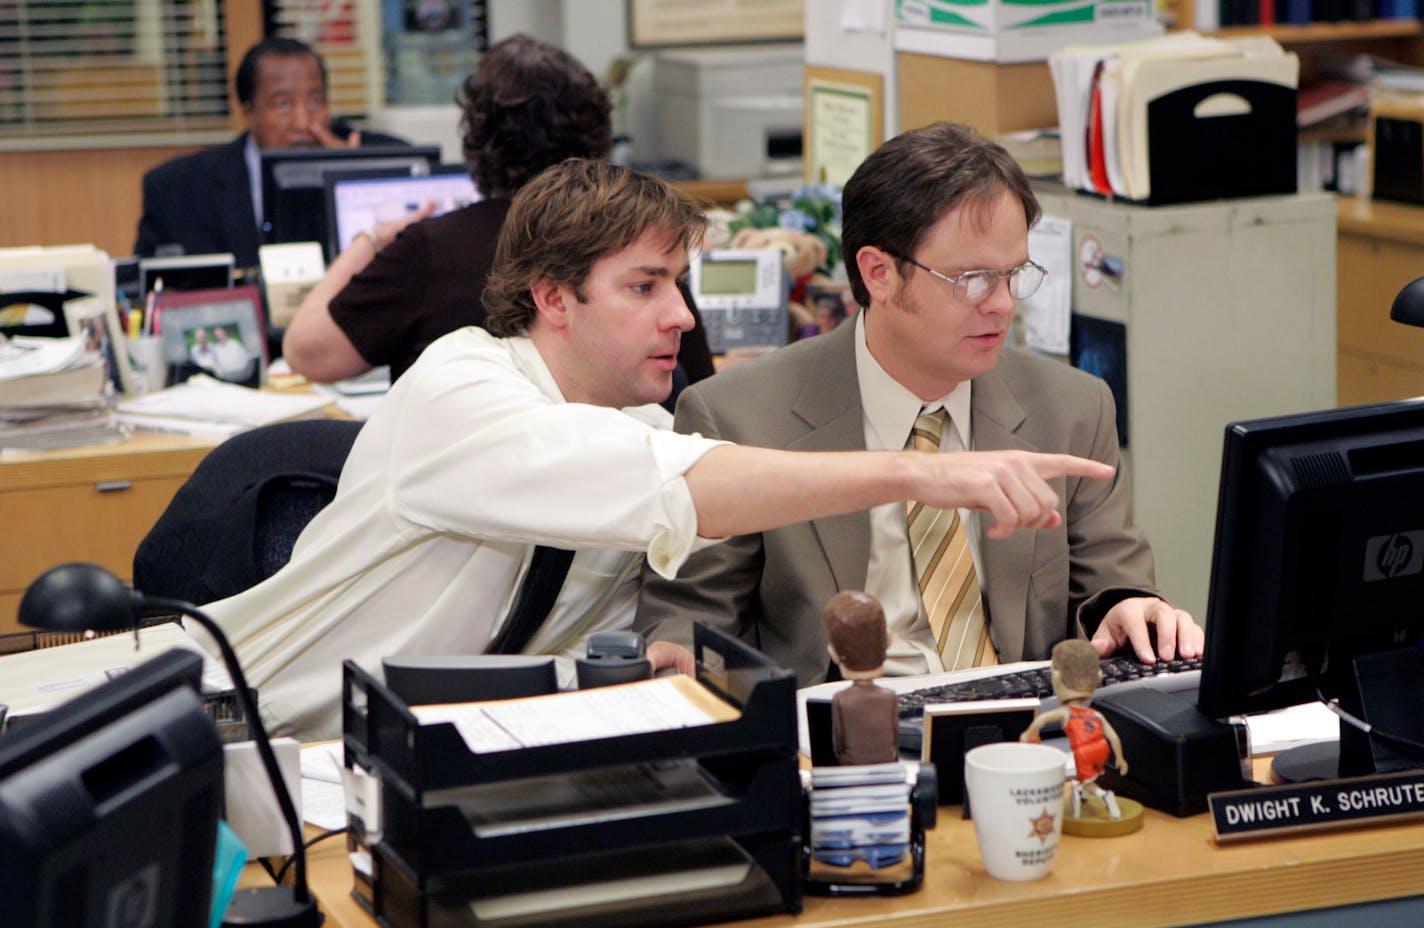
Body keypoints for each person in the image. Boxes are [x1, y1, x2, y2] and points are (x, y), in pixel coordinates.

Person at [200, 157, 1114, 741]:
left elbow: (668, 587)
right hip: (256, 728)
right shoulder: (460, 388)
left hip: (426, 746)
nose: (682, 315)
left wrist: (673, 650)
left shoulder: (638, 426)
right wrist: (928, 470)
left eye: (678, 283)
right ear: (554, 297)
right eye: (644, 286)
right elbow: (682, 490)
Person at [635, 123, 1204, 687]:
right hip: (844, 735)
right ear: (878, 274)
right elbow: (689, 621)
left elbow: (1111, 583)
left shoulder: (1072, 407)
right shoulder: (737, 417)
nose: (1002, 305)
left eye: (1014, 274)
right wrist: (681, 662)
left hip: (1025, 728)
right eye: (974, 279)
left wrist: (1129, 611)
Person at [281, 33, 714, 390]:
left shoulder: (431, 248)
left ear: (478, 138)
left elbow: (307, 352)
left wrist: (370, 240)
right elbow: (697, 390)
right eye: (645, 288)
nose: (679, 315)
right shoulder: (632, 245)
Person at [133, 36, 404, 269]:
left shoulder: (369, 154)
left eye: (315, 101)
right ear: (249, 112)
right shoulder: (177, 189)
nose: (302, 122)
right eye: (283, 104)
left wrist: (353, 178)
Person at [1020, 639, 1128, 819]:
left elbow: (1042, 719)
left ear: (1057, 677)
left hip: (1084, 752)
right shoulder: (1095, 714)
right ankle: (1081, 795)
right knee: (1087, 777)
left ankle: (1103, 796)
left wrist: (1028, 733)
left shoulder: (1066, 713)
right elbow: (1113, 737)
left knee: (1088, 782)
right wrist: (1119, 758)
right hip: (1102, 749)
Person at [825, 591, 898, 766]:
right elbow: (895, 738)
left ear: (833, 653)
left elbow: (838, 744)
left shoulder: (841, 700)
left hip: (852, 771)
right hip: (887, 770)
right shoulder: (890, 696)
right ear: (887, 641)